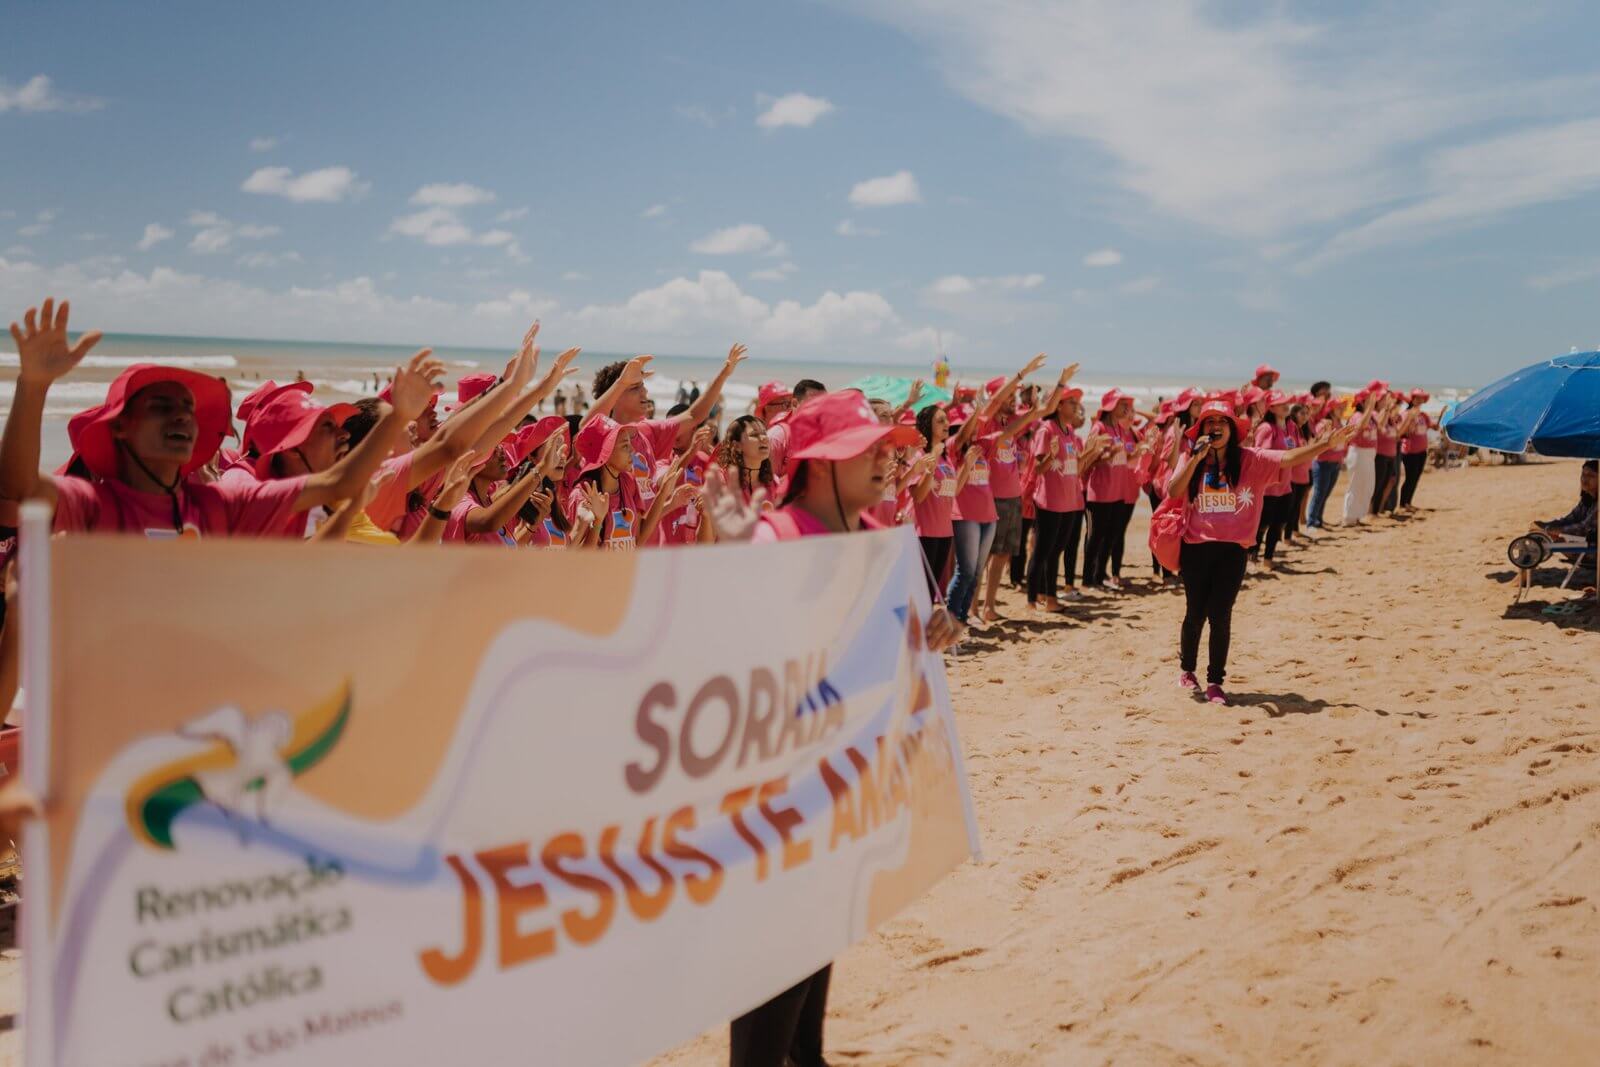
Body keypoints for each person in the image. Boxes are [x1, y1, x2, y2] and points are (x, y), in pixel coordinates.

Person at [701, 390, 961, 1067]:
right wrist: (737, 560)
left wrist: (935, 632)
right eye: (865, 450)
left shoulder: (877, 536)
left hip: (840, 800)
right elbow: (731, 653)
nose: (884, 459)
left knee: (811, 980)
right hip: (776, 811)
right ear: (818, 465)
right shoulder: (776, 536)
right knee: (768, 1000)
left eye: (884, 447)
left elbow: (883, 649)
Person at [2, 298, 443, 538]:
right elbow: (18, 490)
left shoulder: (217, 506)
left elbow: (339, 486)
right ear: (120, 426)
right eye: (160, 406)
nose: (181, 417)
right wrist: (34, 384)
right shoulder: (94, 505)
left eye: (187, 409)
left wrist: (399, 416)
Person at [1166, 401, 1359, 704]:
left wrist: (1324, 444)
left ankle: (1216, 681)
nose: (1215, 426)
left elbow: (1290, 457)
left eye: (1222, 421)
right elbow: (1174, 491)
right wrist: (1194, 458)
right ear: (1201, 429)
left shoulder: (1250, 460)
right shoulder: (1191, 457)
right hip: (1195, 549)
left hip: (1232, 552)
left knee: (1220, 615)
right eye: (1209, 422)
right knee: (1195, 614)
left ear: (1232, 429)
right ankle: (1187, 670)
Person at [979, 362, 1076, 622]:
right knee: (984, 556)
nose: (1012, 399)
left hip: (1012, 495)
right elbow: (1001, 408)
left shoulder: (1012, 419)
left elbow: (1046, 409)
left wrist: (1061, 382)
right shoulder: (986, 421)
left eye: (1014, 396)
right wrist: (1022, 373)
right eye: (1009, 396)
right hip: (991, 496)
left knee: (1001, 555)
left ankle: (988, 607)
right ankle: (973, 608)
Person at [1028, 388, 1106, 611]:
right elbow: (1039, 469)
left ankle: (1049, 596)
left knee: (1056, 550)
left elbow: (1076, 467)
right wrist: (1051, 455)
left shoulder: (1070, 431)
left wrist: (1092, 451)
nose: (1076, 407)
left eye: (1076, 403)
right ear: (1059, 406)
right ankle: (1033, 600)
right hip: (1049, 501)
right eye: (1071, 403)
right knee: (1043, 550)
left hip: (1068, 500)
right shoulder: (1046, 430)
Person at [1082, 389, 1140, 589]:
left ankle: (1100, 575)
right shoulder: (1099, 427)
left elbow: (1124, 460)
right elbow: (1087, 459)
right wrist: (1106, 455)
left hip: (1118, 492)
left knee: (1111, 535)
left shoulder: (1120, 430)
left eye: (1127, 404)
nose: (1126, 408)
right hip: (1099, 492)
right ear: (1110, 406)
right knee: (1095, 537)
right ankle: (1088, 580)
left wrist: (1142, 449)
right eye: (1122, 404)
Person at [1340, 389, 1380, 526]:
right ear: (1362, 402)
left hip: (1368, 454)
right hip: (1358, 452)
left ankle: (1357, 516)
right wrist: (1369, 408)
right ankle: (1348, 517)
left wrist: (1383, 407)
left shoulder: (1371, 416)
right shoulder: (1357, 415)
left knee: (1367, 486)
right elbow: (1360, 426)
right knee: (1355, 485)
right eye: (1368, 400)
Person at [1305, 398, 1346, 529]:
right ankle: (1311, 522)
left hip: (1335, 463)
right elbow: (1318, 443)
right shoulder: (1323, 423)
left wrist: (1341, 459)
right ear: (1332, 409)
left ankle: (1318, 520)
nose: (1343, 410)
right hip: (1323, 463)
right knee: (1319, 494)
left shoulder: (1339, 422)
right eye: (1340, 408)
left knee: (1325, 494)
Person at [1397, 389, 1432, 509]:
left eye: (1421, 398)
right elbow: (1403, 432)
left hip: (1422, 451)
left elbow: (1432, 427)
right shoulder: (1406, 414)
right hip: (1410, 451)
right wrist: (1411, 420)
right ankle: (1403, 503)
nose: (1419, 400)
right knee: (1410, 477)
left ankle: (1408, 502)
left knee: (1416, 477)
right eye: (1417, 398)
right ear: (1412, 399)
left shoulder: (1423, 415)